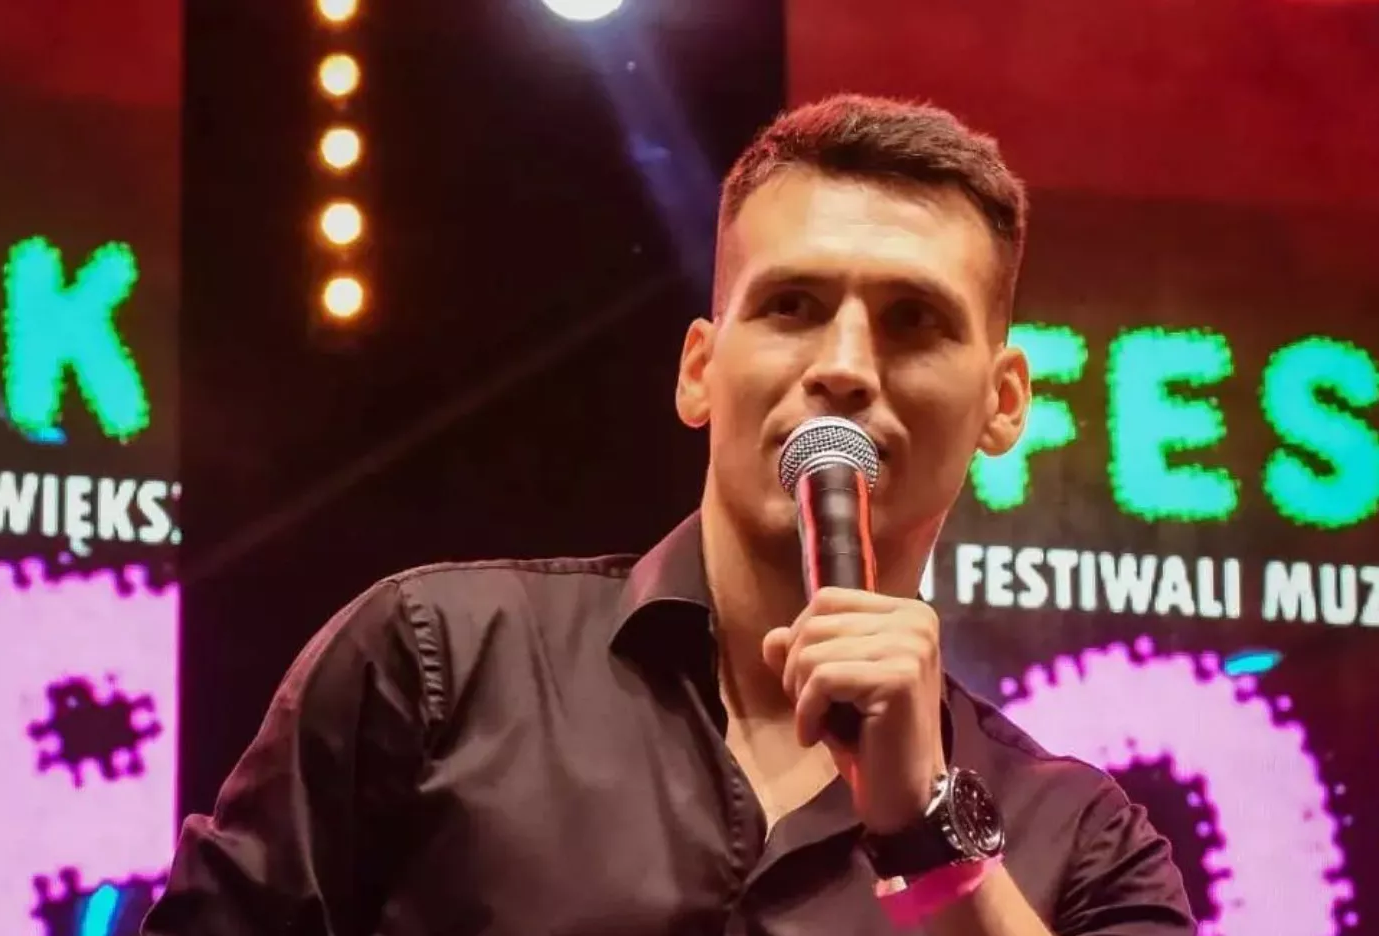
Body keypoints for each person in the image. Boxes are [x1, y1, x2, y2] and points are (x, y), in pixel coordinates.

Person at [143, 94, 1196, 935]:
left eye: (914, 321)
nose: (843, 366)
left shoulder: (1083, 845)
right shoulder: (436, 665)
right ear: (700, 369)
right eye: (791, 306)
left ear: (1004, 402)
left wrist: (930, 837)